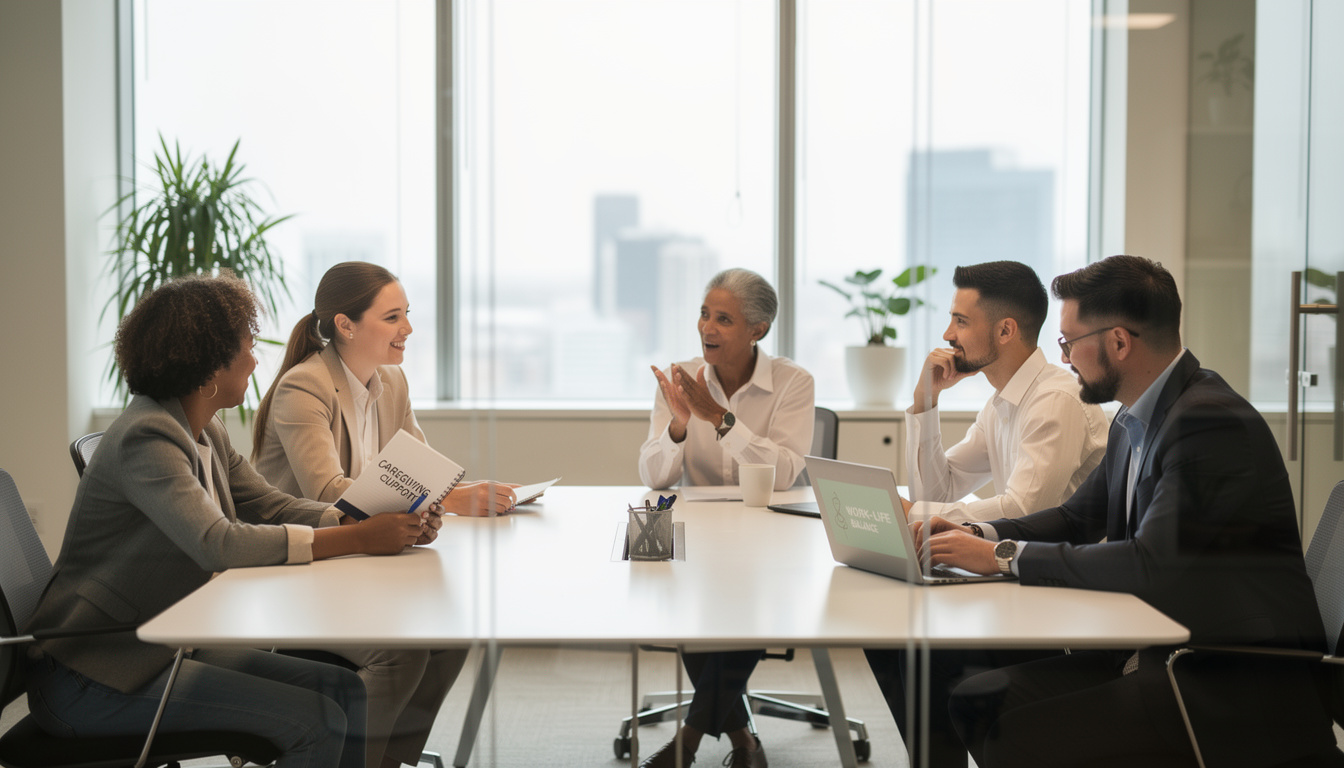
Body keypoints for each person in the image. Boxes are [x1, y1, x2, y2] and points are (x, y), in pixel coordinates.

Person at [917, 255, 1344, 767]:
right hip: (1157, 651)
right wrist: (976, 533)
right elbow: (1077, 518)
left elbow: (1149, 563)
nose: (1065, 359)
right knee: (975, 702)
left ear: (1118, 342)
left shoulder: (1209, 422)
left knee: (1018, 736)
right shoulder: (1134, 417)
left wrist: (1002, 555)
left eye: (1069, 343)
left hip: (1226, 679)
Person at [25, 274, 431, 768]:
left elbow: (270, 504)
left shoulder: (203, 429)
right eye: (247, 347)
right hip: (93, 677)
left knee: (344, 690)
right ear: (207, 362)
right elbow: (217, 543)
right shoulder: (146, 437)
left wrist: (359, 522)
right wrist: (358, 538)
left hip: (162, 648)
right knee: (313, 719)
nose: (256, 361)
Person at [252, 261, 516, 768]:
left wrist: (453, 495)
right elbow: (329, 494)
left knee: (450, 637)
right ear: (346, 325)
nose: (408, 329)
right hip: (304, 569)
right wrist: (448, 499)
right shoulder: (303, 388)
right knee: (404, 652)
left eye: (407, 314)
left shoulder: (391, 382)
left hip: (358, 566)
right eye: (393, 317)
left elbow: (421, 470)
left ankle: (388, 761)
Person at [864, 261, 1109, 768]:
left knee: (924, 650)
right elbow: (937, 487)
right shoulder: (1001, 402)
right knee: (885, 636)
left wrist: (919, 511)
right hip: (1016, 575)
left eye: (960, 321)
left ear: (1005, 330)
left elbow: (1026, 508)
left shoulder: (1055, 399)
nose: (947, 335)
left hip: (1065, 594)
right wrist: (925, 402)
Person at [636, 268, 815, 768]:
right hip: (700, 539)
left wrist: (718, 417)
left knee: (745, 597)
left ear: (758, 330)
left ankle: (689, 740)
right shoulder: (682, 378)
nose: (706, 328)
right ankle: (743, 740)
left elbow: (784, 473)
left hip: (770, 540)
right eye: (704, 314)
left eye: (723, 319)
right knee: (686, 594)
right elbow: (654, 477)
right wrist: (679, 423)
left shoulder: (793, 382)